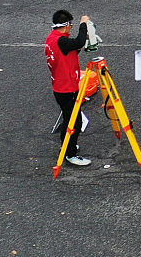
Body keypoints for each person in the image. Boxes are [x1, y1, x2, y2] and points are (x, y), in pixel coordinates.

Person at [45, 9, 92, 167]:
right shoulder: (61, 41)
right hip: (67, 88)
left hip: (60, 85)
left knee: (68, 118)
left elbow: (71, 50)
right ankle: (70, 153)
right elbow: (76, 43)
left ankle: (68, 145)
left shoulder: (53, 39)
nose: (72, 28)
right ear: (66, 26)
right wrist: (84, 24)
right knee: (74, 122)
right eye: (71, 26)